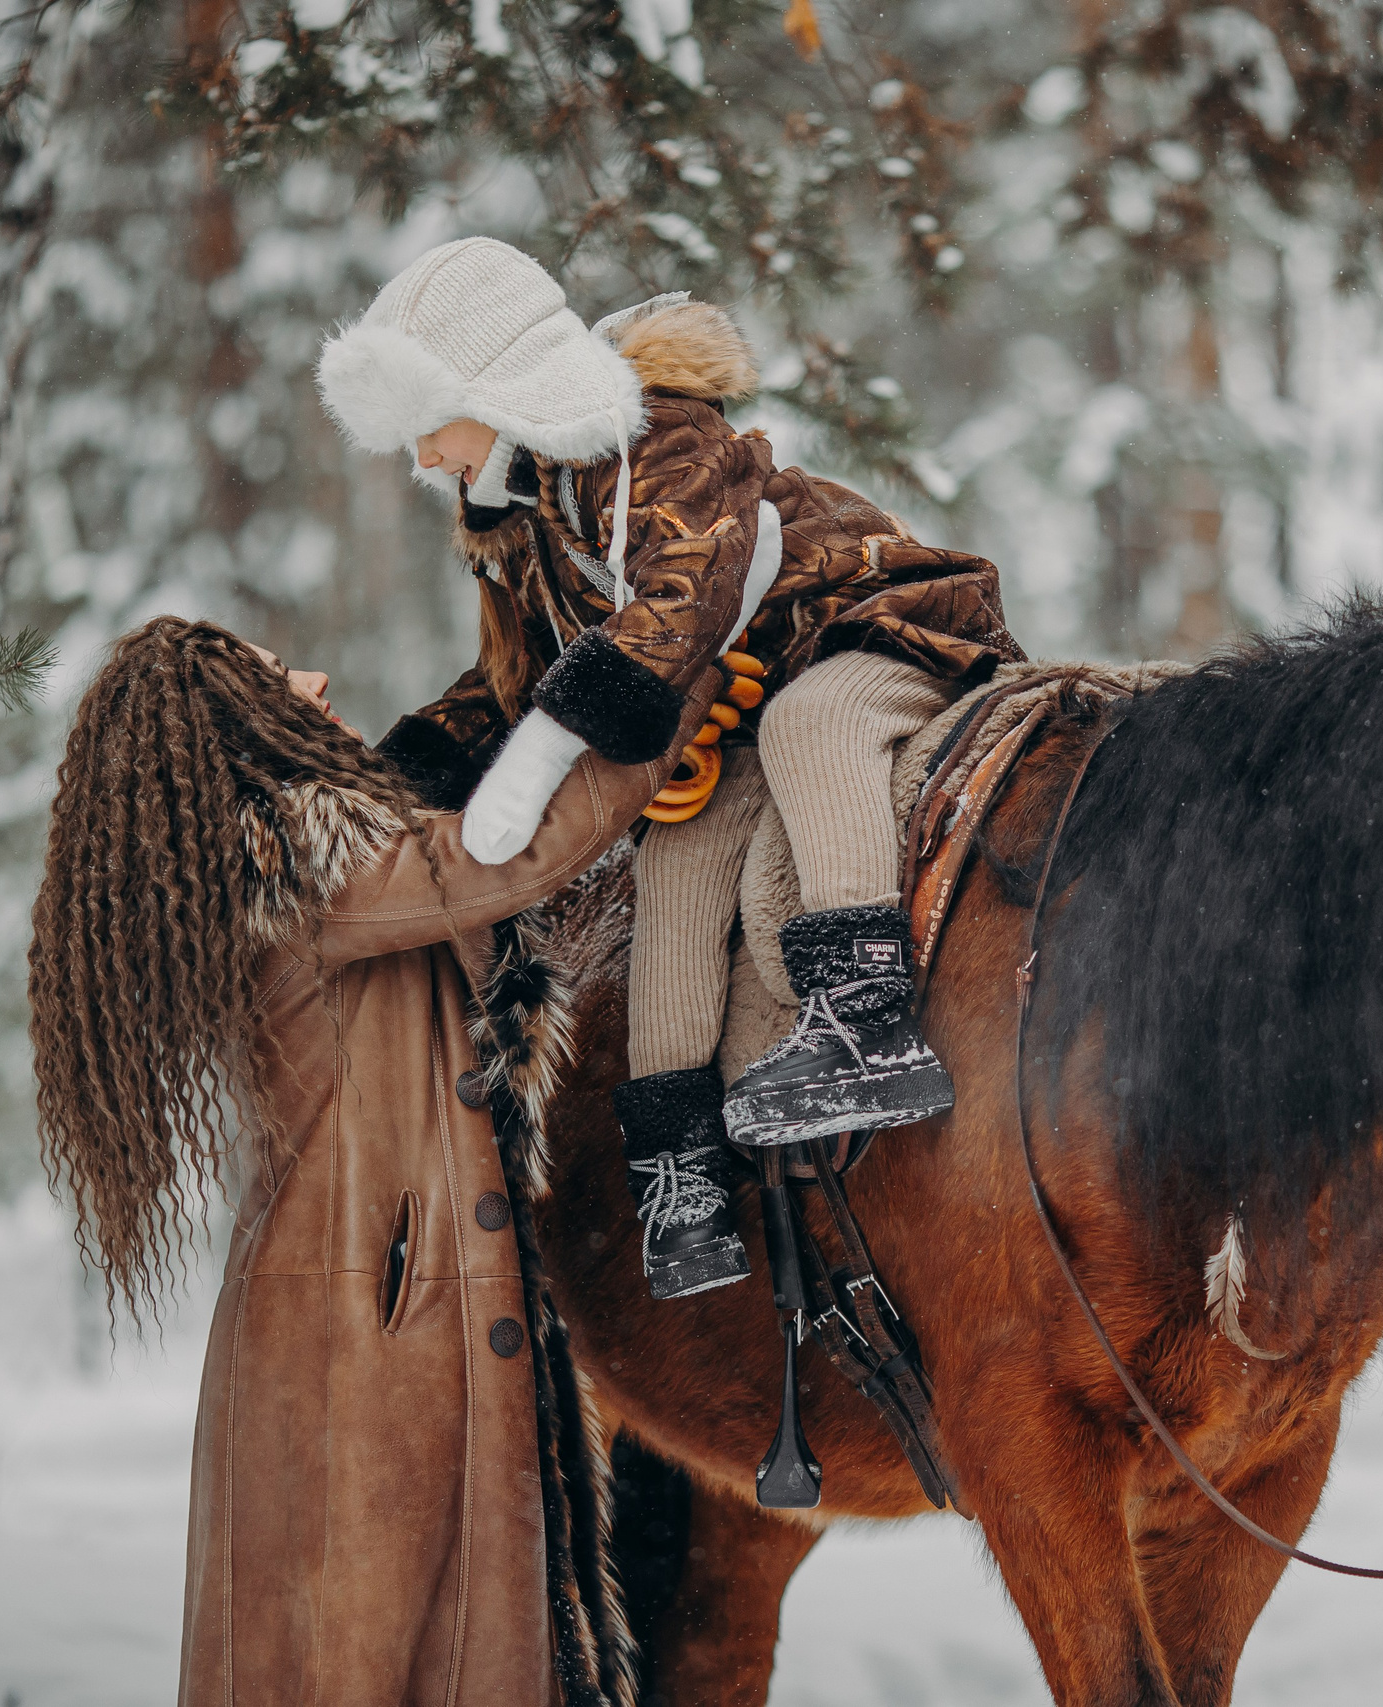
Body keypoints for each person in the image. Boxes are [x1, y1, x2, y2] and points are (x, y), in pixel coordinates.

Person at [316, 238, 1023, 1302]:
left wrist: (550, 748)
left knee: (812, 726)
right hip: (732, 709)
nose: (423, 462)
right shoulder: (529, 525)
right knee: (678, 870)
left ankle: (864, 1014)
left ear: (491, 388)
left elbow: (684, 593)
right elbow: (519, 682)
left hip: (867, 634)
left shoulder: (654, 444)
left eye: (426, 426)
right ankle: (682, 1172)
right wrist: (397, 776)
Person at [26, 615, 714, 1706]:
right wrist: (663, 694)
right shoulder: (294, 856)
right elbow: (504, 858)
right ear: (237, 729)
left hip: (372, 1326)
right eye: (273, 676)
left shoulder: (316, 859)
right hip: (358, 1344)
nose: (316, 671)